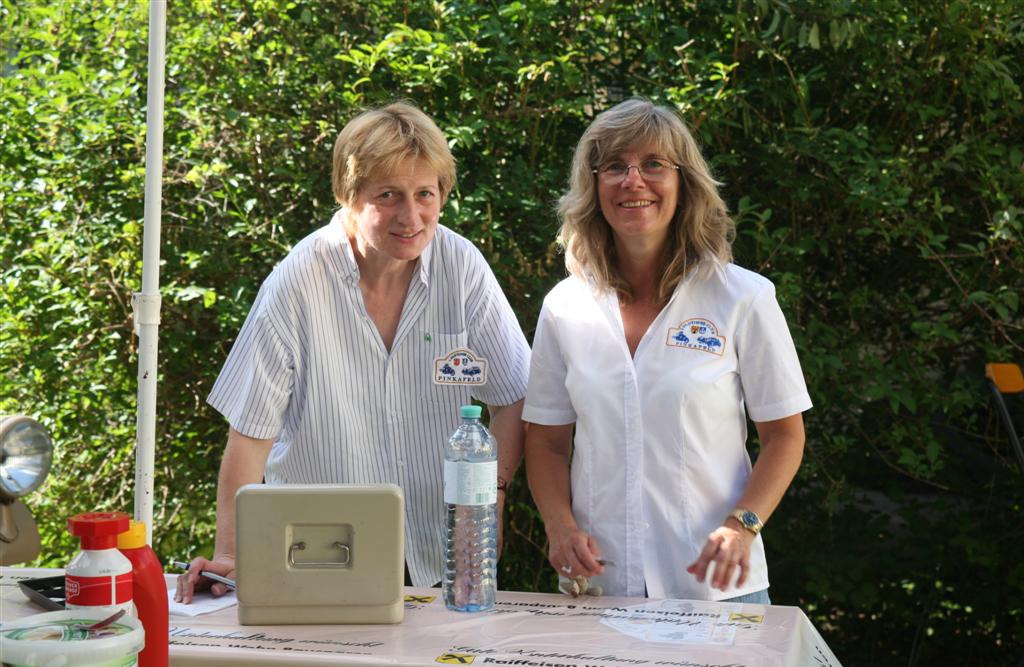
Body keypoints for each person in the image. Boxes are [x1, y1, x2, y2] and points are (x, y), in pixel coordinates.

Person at [175, 102, 530, 602]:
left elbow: (514, 397)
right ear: (348, 195)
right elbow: (250, 435)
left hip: (442, 556)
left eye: (424, 194)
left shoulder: (461, 267)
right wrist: (232, 556)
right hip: (317, 556)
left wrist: (489, 501)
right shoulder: (298, 280)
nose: (412, 216)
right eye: (388, 196)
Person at [523, 98, 811, 602]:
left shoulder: (743, 298)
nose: (633, 181)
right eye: (614, 166)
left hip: (718, 591)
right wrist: (560, 527)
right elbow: (545, 443)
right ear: (594, 186)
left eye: (654, 164)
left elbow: (785, 436)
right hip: (600, 588)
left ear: (684, 182)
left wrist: (742, 525)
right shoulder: (564, 307)